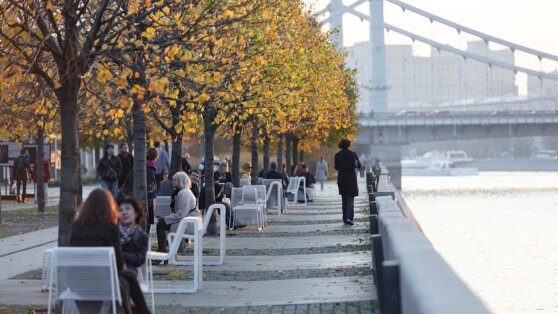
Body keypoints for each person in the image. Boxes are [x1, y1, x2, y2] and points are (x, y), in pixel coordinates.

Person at [69, 188, 150, 314]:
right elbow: (118, 265)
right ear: (109, 207)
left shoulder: (76, 228)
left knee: (128, 279)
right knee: (128, 278)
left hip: (77, 284)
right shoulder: (109, 229)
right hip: (103, 284)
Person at [153, 172, 201, 263]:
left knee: (160, 225)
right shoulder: (183, 192)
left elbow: (181, 214)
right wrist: (166, 218)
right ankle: (162, 252)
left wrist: (165, 218)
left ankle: (162, 252)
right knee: (161, 224)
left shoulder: (184, 193)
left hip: (189, 225)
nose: (172, 181)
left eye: (174, 179)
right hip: (188, 222)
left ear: (180, 181)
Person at [118, 197, 149, 274]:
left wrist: (119, 254)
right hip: (110, 269)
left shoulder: (142, 236)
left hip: (128, 272)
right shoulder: (112, 231)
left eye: (127, 209)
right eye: (121, 210)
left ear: (136, 213)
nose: (124, 212)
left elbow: (140, 259)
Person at [334, 139, 361, 225]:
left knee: (344, 199)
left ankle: (345, 218)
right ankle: (349, 218)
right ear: (349, 145)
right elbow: (359, 165)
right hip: (351, 178)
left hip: (342, 178)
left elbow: (336, 167)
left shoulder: (337, 155)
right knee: (350, 199)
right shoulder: (353, 154)